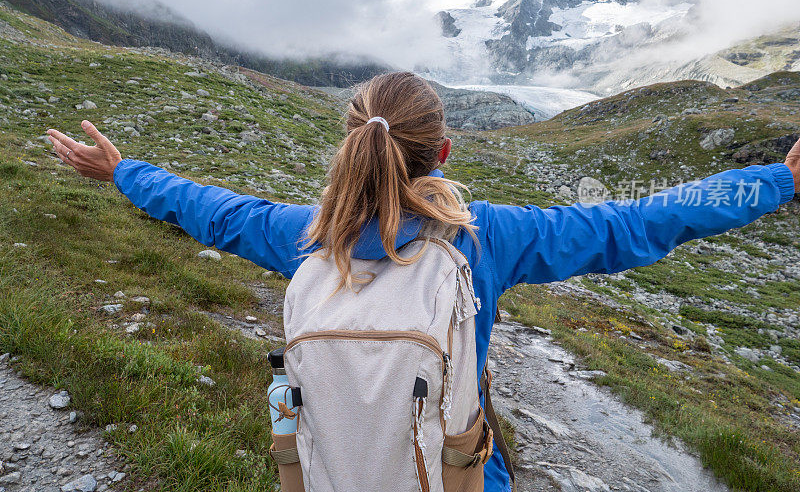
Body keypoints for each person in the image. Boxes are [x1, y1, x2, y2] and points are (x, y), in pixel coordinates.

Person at [47, 71, 800, 492]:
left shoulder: (307, 237)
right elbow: (637, 223)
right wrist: (776, 180)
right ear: (441, 150)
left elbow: (210, 210)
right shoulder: (485, 239)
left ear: (350, 146)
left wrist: (123, 171)